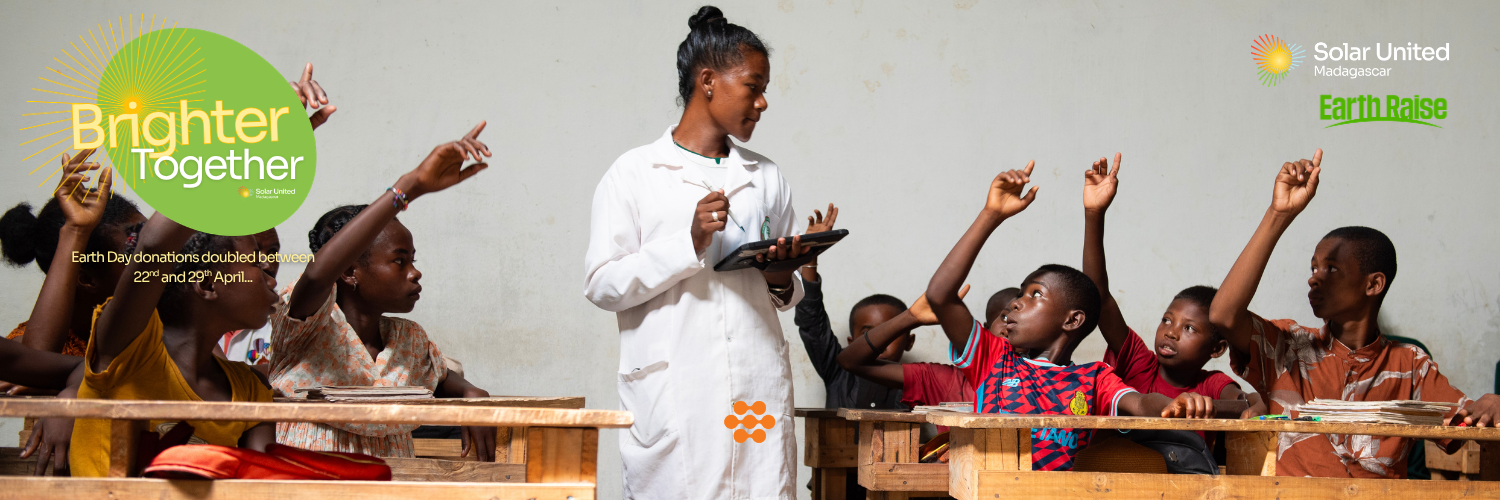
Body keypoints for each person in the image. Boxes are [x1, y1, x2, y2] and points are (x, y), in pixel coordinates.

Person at [582, 6, 809, 498]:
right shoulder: (635, 173)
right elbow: (602, 284)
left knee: (763, 487)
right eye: (753, 85)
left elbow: (785, 294)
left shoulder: (766, 177)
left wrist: (780, 276)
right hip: (679, 391)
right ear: (708, 80)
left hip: (754, 388)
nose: (764, 102)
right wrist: (688, 244)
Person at [1206, 149, 1500, 478]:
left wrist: (1494, 402)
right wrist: (1279, 214)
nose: (1313, 277)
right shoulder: (1289, 347)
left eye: (1330, 269)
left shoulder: (1411, 365)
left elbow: (1464, 422)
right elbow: (1223, 315)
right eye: (1313, 267)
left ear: (1373, 285)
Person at [924, 162, 1232, 471]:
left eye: (1035, 295)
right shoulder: (995, 359)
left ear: (1072, 320)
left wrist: (1173, 405)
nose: (1016, 304)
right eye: (1020, 295)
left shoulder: (1093, 379)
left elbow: (1139, 403)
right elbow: (940, 295)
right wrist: (991, 214)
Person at [270, 124, 497, 460]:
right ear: (349, 271)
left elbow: (445, 377)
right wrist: (410, 187)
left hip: (393, 482)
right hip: (309, 484)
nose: (415, 272)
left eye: (413, 260)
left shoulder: (409, 339)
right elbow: (317, 276)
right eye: (399, 261)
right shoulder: (307, 326)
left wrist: (472, 393)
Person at [71, 211, 280, 477]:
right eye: (255, 263)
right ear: (207, 284)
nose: (272, 280)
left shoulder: (251, 389)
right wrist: (212, 180)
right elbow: (155, 247)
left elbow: (263, 486)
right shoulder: (130, 351)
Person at [1078, 154, 1252, 446]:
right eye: (1167, 320)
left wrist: (1206, 404)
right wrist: (1094, 215)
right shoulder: (1138, 363)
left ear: (1217, 348)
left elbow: (1248, 404)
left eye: (1189, 328)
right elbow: (1099, 297)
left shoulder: (1212, 384)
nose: (1170, 332)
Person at [0, 149, 144, 363]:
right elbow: (36, 363)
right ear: (86, 279)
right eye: (135, 253)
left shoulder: (158, 320)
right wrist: (76, 230)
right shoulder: (26, 346)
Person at [795, 204, 911, 410]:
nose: (879, 343)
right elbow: (811, 322)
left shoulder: (920, 382)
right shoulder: (837, 371)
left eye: (890, 334)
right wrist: (809, 258)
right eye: (869, 334)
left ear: (909, 341)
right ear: (851, 342)